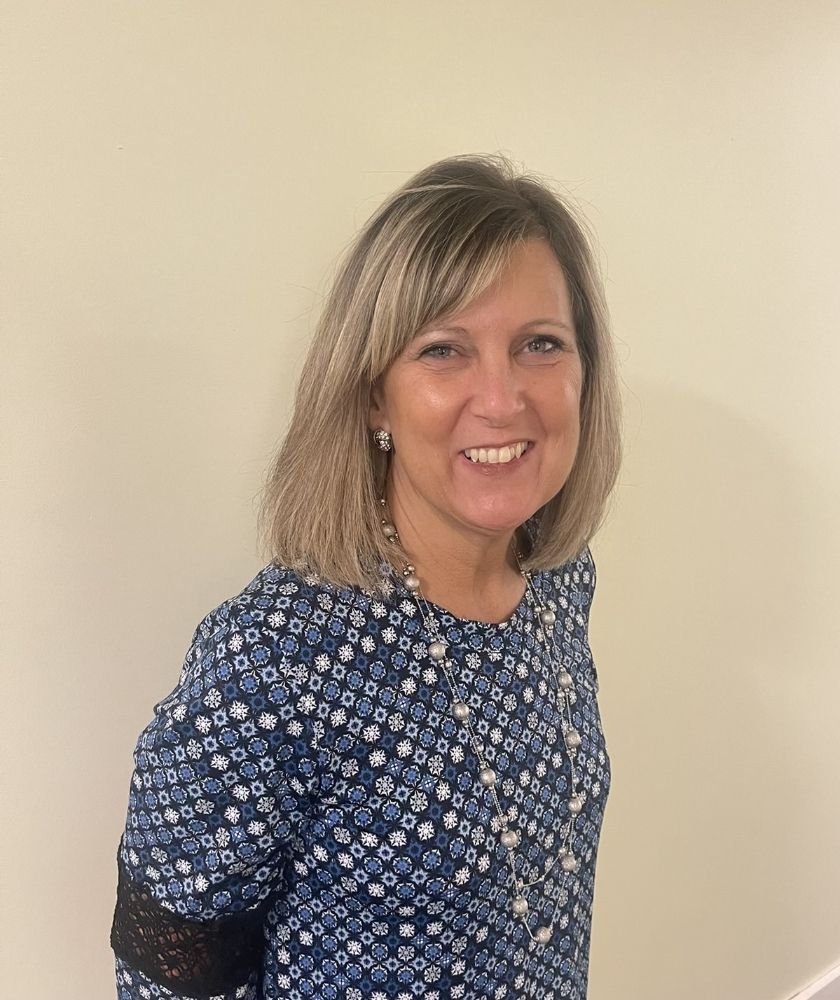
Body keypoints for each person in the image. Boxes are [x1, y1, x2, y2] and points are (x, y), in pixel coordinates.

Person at [110, 153, 622, 1000]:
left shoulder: (562, 579)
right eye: (443, 351)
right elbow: (167, 965)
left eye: (540, 344)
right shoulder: (272, 659)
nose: (501, 399)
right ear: (374, 397)